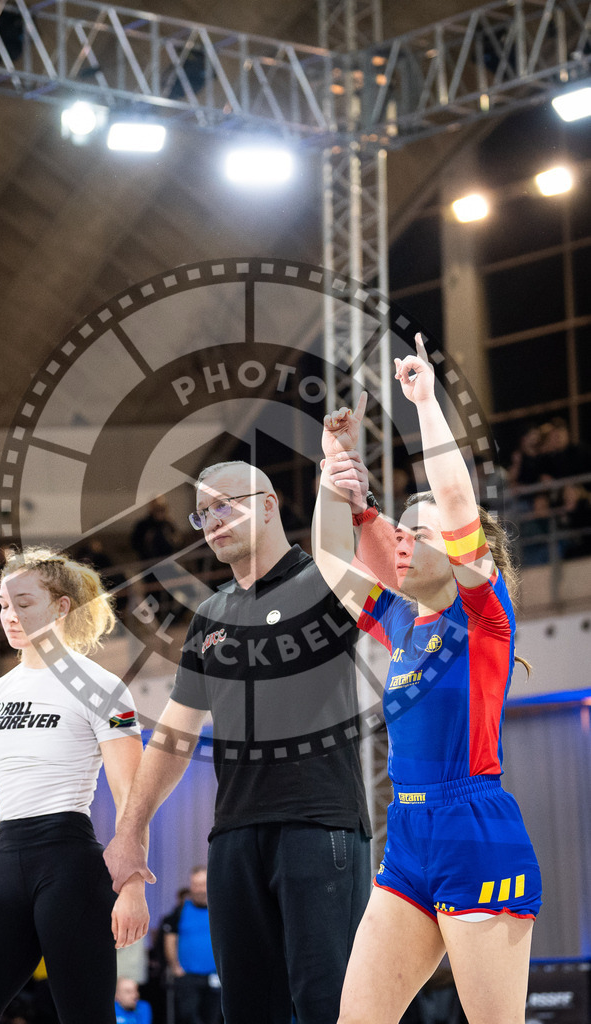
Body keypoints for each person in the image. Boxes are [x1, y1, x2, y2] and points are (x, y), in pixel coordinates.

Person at [104, 462, 397, 1024]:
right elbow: (175, 734)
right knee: (246, 1011)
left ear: (268, 503)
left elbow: (386, 572)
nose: (212, 521)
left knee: (329, 1006)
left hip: (318, 825)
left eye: (225, 505)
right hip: (234, 836)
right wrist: (130, 830)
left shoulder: (324, 581)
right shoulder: (209, 616)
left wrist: (346, 488)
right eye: (202, 513)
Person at [312, 333, 542, 1024]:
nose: (407, 540)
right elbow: (329, 557)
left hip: (475, 834)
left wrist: (423, 403)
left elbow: (455, 495)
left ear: (470, 555)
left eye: (424, 531)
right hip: (408, 839)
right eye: (403, 531)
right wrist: (331, 473)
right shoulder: (403, 623)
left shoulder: (482, 616)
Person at [0, 547, 150, 1024]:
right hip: (9, 869)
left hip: (71, 871)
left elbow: (132, 795)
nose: (10, 616)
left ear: (61, 607)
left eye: (24, 603)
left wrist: (133, 886)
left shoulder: (102, 687)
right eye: (4, 605)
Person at [162, 866, 221, 1024]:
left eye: (203, 884)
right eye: (196, 884)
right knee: (188, 1016)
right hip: (188, 976)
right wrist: (175, 966)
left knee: (213, 1018)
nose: (200, 889)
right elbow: (170, 938)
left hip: (215, 976)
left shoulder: (220, 909)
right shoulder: (181, 910)